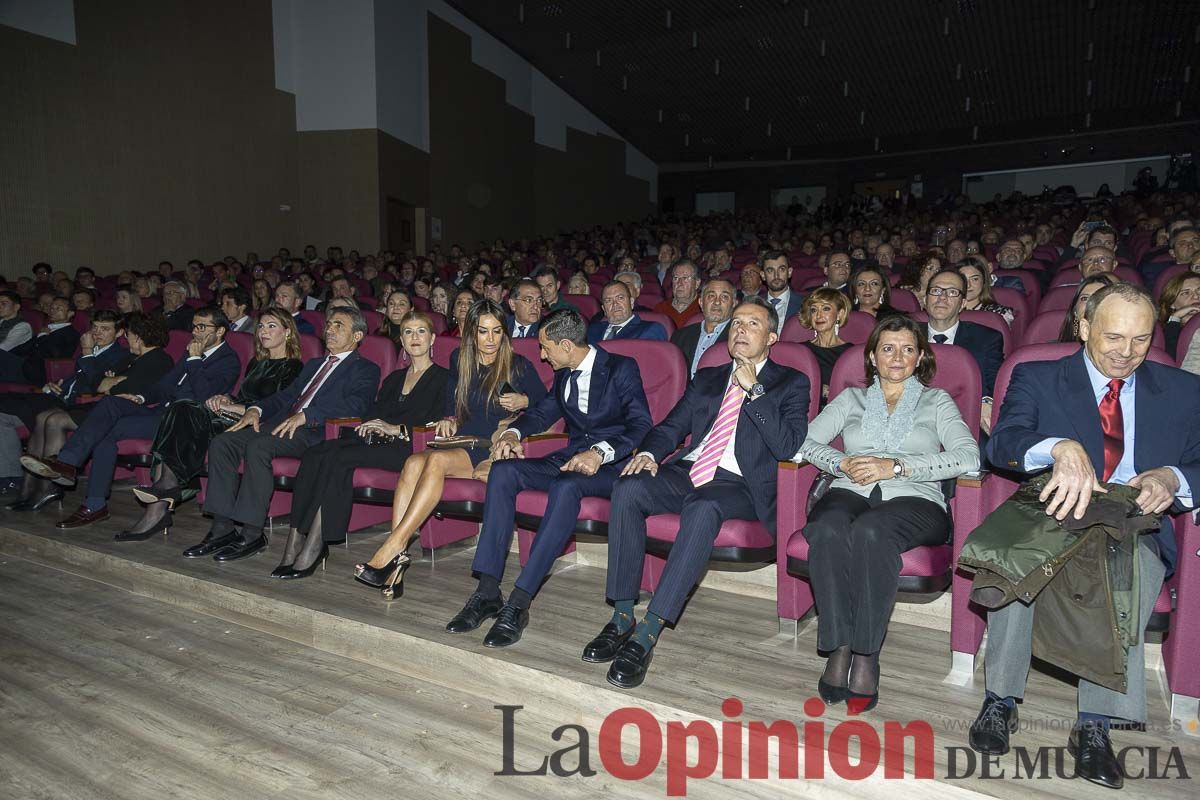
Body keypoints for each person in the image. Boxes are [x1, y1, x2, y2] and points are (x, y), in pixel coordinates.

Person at [969, 282, 1199, 790]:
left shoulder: (1185, 391)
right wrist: (1057, 447)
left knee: (1125, 572)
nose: (1127, 352)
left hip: (1133, 520)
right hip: (1054, 508)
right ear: (1083, 327)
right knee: (1016, 562)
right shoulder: (1038, 375)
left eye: (1141, 340)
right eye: (1113, 337)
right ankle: (1000, 700)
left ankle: (1094, 726)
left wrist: (1173, 479)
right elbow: (1002, 443)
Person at [587, 297, 809, 688]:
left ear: (772, 337)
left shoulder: (791, 382)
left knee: (704, 507)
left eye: (752, 324)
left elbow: (788, 447)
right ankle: (622, 615)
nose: (740, 329)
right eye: (736, 323)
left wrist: (754, 391)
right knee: (628, 487)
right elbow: (672, 427)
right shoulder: (708, 377)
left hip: (741, 486)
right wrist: (651, 453)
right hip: (691, 470)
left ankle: (648, 631)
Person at [798, 315, 979, 710]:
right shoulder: (852, 399)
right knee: (826, 526)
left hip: (916, 498)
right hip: (851, 488)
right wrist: (841, 463)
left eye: (908, 349)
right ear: (872, 357)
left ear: (920, 358)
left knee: (870, 530)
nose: (897, 357)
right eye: (888, 348)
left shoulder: (937, 401)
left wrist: (897, 467)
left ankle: (866, 654)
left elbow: (968, 456)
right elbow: (806, 443)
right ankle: (840, 645)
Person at [445, 308, 652, 646]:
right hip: (568, 458)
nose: (541, 355)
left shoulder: (620, 369)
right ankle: (487, 590)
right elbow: (542, 413)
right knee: (504, 471)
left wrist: (599, 453)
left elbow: (641, 425)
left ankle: (519, 601)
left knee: (566, 485)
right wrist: (512, 433)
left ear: (567, 345)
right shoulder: (564, 373)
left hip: (610, 468)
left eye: (545, 348)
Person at [353, 300, 546, 595]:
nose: (490, 340)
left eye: (497, 332)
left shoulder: (518, 366)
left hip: (488, 446)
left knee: (434, 462)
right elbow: (451, 402)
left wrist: (525, 402)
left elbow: (550, 407)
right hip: (462, 441)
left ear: (505, 334)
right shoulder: (459, 358)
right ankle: (397, 558)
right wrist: (448, 418)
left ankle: (392, 546)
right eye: (483, 332)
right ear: (472, 333)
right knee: (413, 463)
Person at [183, 308, 380, 563]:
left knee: (259, 448)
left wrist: (309, 415)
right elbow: (286, 396)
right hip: (282, 426)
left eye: (338, 326)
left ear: (357, 336)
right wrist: (256, 409)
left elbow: (357, 406)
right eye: (329, 324)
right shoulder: (315, 364)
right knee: (222, 443)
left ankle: (252, 533)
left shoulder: (365, 369)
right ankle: (222, 528)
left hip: (315, 433)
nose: (329, 329)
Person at [273, 310, 449, 580]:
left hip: (410, 448)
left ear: (433, 338)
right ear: (401, 339)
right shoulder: (393, 379)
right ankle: (294, 540)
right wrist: (369, 423)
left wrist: (397, 429)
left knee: (337, 460)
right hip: (376, 443)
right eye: (408, 332)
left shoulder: (444, 378)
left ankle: (315, 544)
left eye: (421, 332)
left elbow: (439, 424)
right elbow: (373, 413)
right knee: (317, 452)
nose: (415, 338)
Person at [124, 309, 304, 540]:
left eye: (271, 326)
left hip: (253, 424)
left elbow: (277, 407)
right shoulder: (256, 363)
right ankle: (166, 487)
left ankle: (167, 486)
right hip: (234, 415)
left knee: (185, 411)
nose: (263, 332)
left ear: (287, 332)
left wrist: (239, 408)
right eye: (260, 326)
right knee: (181, 407)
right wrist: (227, 399)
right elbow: (243, 396)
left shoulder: (294, 367)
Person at [18, 312, 192, 528]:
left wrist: (116, 385)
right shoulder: (130, 358)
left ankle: (68, 462)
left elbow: (120, 389)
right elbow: (97, 384)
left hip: (150, 413)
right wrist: (114, 384)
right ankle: (95, 505)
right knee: (104, 436)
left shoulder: (158, 359)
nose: (126, 340)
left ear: (138, 336)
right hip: (125, 410)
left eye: (128, 335)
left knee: (106, 406)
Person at [0, 310, 128, 509]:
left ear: (119, 333)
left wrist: (86, 356)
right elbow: (74, 379)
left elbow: (97, 386)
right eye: (94, 327)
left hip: (78, 405)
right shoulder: (90, 349)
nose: (97, 333)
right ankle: (28, 489)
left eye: (105, 329)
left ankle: (40, 489)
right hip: (60, 397)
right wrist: (53, 385)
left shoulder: (120, 356)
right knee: (14, 403)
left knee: (35, 413)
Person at [923, 269, 1004, 432]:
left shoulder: (986, 338)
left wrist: (986, 402)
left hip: (963, 419)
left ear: (963, 303)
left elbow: (993, 382)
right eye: (936, 291)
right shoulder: (903, 336)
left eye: (952, 292)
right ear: (925, 300)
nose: (942, 297)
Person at [0, 295, 78, 385]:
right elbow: (23, 348)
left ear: (70, 313)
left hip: (36, 373)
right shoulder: (47, 329)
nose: (53, 310)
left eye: (58, 308)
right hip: (23, 365)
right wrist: (6, 357)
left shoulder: (71, 333)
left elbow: (55, 354)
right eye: (52, 308)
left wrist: (43, 336)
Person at [670, 279, 735, 378]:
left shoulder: (739, 339)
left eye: (724, 297)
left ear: (734, 304)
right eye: (711, 296)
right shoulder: (679, 336)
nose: (717, 302)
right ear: (700, 302)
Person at [799, 288, 852, 406]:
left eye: (826, 308)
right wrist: (818, 388)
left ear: (840, 314)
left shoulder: (852, 354)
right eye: (813, 310)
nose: (818, 315)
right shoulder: (800, 351)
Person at [587, 281, 667, 343]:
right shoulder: (592, 330)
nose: (615, 304)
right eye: (608, 301)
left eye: (620, 298)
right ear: (604, 309)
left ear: (631, 302)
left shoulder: (650, 329)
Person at [1057, 273, 1119, 343]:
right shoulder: (1052, 351)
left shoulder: (1126, 350)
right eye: (1085, 298)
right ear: (1075, 311)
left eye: (1101, 298)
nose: (1091, 303)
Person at [958, 256, 1014, 325]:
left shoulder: (999, 313)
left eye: (975, 279)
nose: (968, 285)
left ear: (984, 281)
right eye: (963, 279)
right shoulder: (947, 310)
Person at [1157, 272, 1200, 359]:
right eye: (1186, 293)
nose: (1196, 296)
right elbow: (1171, 361)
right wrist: (1175, 318)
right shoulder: (1165, 333)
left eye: (1199, 291)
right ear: (1172, 303)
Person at [762, 250, 803, 335]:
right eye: (770, 270)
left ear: (789, 272)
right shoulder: (752, 305)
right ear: (763, 275)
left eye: (781, 269)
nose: (776, 276)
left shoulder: (805, 305)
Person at [654, 260, 702, 329]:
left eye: (685, 278)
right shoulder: (661, 308)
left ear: (697, 283)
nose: (679, 283)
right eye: (676, 278)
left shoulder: (704, 309)